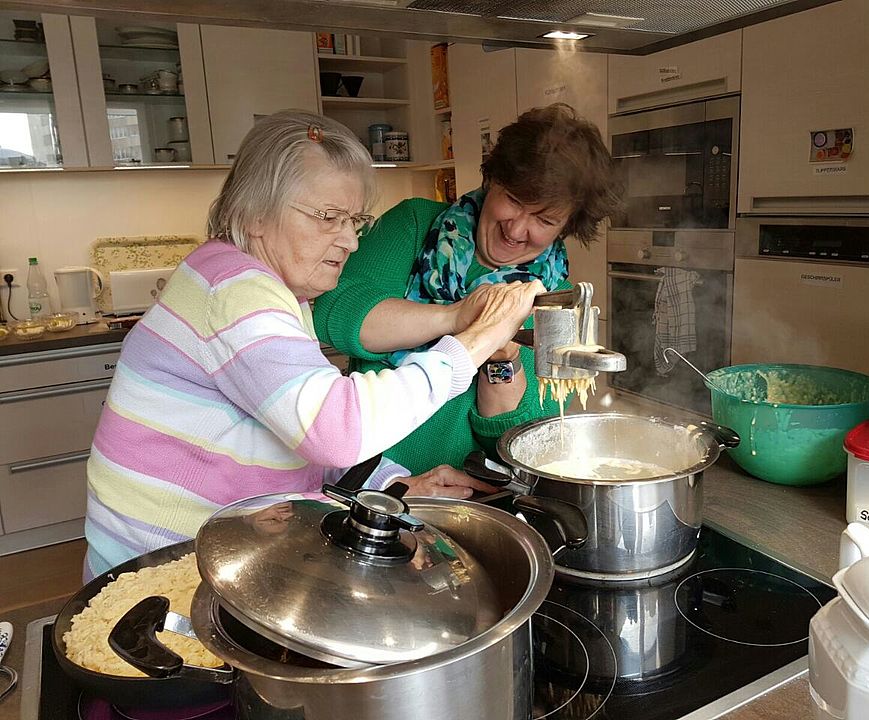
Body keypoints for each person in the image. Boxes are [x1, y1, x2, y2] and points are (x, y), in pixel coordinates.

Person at [83, 110, 543, 579]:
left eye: (354, 221)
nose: (348, 240)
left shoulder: (274, 289)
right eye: (328, 217)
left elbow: (295, 439)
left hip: (208, 550)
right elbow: (334, 430)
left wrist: (397, 486)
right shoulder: (236, 290)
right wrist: (475, 341)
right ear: (254, 212)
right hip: (162, 571)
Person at [313, 103, 622, 475]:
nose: (517, 229)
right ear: (492, 181)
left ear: (567, 226)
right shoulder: (413, 226)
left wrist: (501, 359)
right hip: (376, 483)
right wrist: (461, 318)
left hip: (471, 494)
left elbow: (515, 439)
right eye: (513, 200)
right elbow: (334, 313)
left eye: (544, 219)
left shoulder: (557, 300)